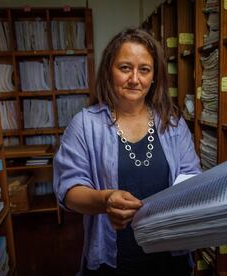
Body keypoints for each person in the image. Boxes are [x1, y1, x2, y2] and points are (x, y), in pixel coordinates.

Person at [53, 27, 201, 275]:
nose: (135, 79)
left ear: (154, 76)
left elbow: (192, 178)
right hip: (114, 262)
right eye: (125, 68)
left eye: (144, 69)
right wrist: (104, 200)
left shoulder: (172, 124)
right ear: (109, 71)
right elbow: (67, 191)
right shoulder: (85, 124)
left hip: (169, 258)